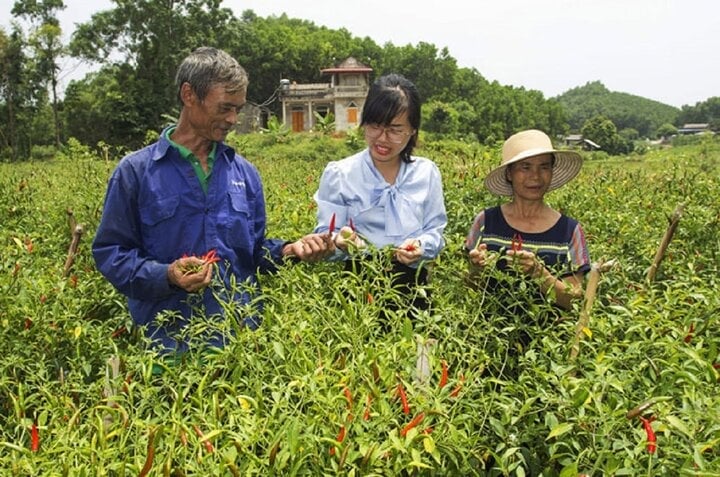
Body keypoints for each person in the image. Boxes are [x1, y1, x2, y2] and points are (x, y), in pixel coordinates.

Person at [92, 47, 333, 355]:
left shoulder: (244, 173)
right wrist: (166, 275)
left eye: (238, 109)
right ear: (189, 95)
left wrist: (290, 250)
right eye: (224, 108)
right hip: (167, 344)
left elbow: (253, 253)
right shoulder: (136, 172)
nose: (233, 119)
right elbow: (111, 254)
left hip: (240, 343)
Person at [312, 73, 447, 315]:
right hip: (358, 292)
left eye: (395, 130)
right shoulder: (340, 174)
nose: (382, 139)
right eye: (375, 126)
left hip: (415, 290)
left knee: (421, 351)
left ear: (413, 131)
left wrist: (420, 246)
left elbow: (435, 232)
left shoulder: (426, 173)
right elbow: (325, 234)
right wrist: (340, 242)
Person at [465, 129, 590, 311]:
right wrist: (476, 269)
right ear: (509, 174)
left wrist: (539, 273)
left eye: (544, 167)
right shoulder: (485, 222)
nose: (536, 176)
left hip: (550, 338)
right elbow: (469, 290)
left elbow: (575, 300)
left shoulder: (569, 230)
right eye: (525, 167)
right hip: (489, 336)